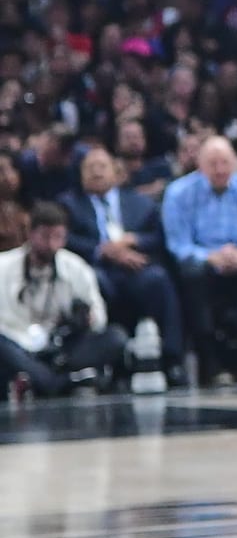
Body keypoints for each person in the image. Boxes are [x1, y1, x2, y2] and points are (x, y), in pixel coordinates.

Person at [161, 134, 237, 386]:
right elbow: (178, 244)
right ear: (200, 165)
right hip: (201, 260)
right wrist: (210, 257)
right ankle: (211, 362)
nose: (220, 169)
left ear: (234, 162)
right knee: (193, 274)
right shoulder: (178, 193)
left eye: (225, 162)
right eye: (212, 163)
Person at [59, 144, 183, 371]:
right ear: (81, 174)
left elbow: (158, 236)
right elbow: (66, 239)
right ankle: (108, 362)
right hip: (96, 268)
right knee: (93, 282)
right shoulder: (69, 204)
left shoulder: (139, 202)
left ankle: (172, 359)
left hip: (135, 267)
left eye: (102, 166)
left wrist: (134, 240)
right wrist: (103, 249)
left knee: (159, 279)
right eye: (90, 167)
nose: (96, 172)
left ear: (116, 172)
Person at [0, 205, 128, 400]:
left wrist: (85, 319)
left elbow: (99, 317)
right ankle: (58, 382)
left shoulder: (75, 268)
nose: (51, 244)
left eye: (57, 237)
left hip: (60, 350)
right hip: (18, 346)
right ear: (31, 234)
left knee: (116, 337)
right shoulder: (3, 266)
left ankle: (45, 379)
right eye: (45, 237)